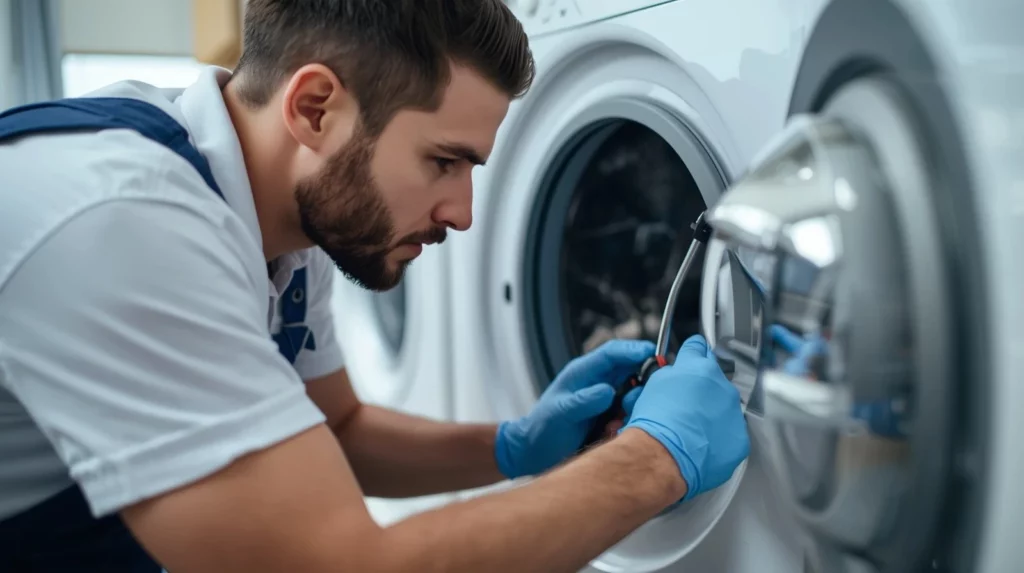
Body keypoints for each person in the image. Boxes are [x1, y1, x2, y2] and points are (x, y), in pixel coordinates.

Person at [0, 1, 749, 571]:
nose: (461, 213)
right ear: (314, 108)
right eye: (443, 161)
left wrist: (516, 445)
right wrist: (654, 461)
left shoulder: (288, 222)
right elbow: (339, 563)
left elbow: (337, 429)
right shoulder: (122, 220)